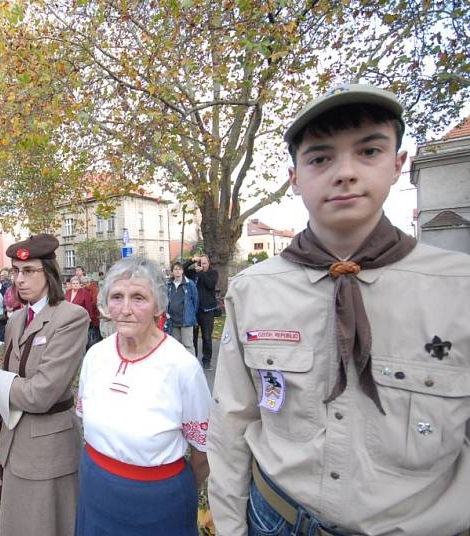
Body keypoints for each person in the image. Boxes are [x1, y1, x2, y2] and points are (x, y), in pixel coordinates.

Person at [207, 84, 470, 535]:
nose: (345, 172)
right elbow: (233, 421)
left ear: (398, 165)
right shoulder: (254, 290)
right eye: (320, 158)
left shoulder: (458, 289)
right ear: (295, 178)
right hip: (276, 520)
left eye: (368, 150)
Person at [75, 257, 211, 535]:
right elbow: (84, 423)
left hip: (158, 503)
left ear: (159, 305)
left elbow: (203, 453)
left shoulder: (182, 366)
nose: (125, 309)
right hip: (95, 489)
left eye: (138, 297)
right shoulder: (95, 356)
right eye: (116, 297)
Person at [0, 234, 89, 536]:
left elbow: (42, 394)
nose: (19, 279)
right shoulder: (16, 319)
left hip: (48, 446)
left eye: (29, 271)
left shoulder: (70, 317)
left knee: (46, 525)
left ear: (50, 273)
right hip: (14, 438)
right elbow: (6, 380)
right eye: (15, 271)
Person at [184, 254, 219, 368]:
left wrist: (201, 273)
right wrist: (192, 260)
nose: (202, 265)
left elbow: (210, 284)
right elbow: (182, 269)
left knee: (207, 337)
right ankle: (193, 360)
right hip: (194, 310)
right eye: (200, 263)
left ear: (209, 264)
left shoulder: (213, 274)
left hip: (207, 310)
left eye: (204, 263)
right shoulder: (194, 273)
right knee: (192, 337)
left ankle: (206, 361)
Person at [164, 262, 198, 356]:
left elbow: (195, 302)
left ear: (182, 271)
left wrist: (191, 315)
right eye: (175, 269)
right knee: (175, 346)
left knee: (188, 345)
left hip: (186, 320)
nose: (177, 271)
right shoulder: (169, 285)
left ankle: (191, 368)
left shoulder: (189, 284)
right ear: (172, 272)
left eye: (179, 269)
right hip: (173, 321)